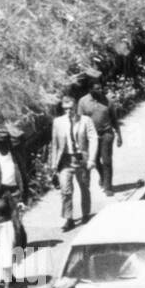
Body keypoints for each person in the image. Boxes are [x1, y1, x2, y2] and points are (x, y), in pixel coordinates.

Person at [50, 94, 98, 231]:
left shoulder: (85, 120)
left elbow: (93, 139)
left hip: (81, 160)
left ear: (75, 106)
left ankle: (85, 214)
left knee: (84, 188)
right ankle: (68, 218)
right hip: (65, 161)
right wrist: (53, 164)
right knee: (65, 191)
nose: (68, 111)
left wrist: (92, 159)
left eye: (70, 108)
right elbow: (54, 144)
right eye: (65, 109)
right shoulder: (58, 122)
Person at [77, 71, 122, 197]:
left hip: (106, 134)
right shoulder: (83, 102)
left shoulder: (108, 101)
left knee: (107, 160)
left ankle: (108, 186)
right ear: (90, 90)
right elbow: (80, 122)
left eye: (101, 88)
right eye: (97, 89)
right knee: (95, 160)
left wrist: (119, 135)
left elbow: (114, 119)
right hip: (91, 137)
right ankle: (102, 176)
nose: (100, 91)